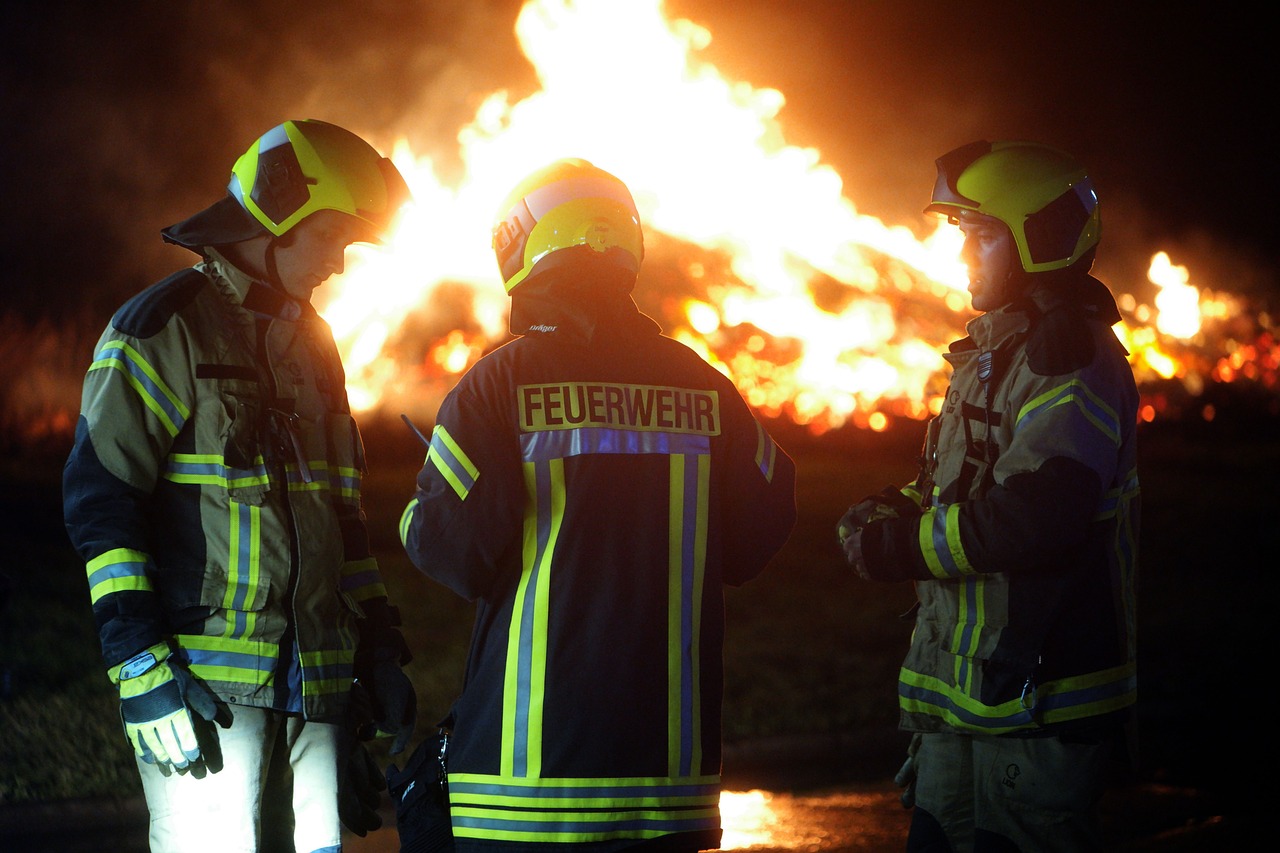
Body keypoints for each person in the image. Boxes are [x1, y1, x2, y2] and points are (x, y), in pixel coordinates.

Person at [398, 158, 797, 851]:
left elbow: (451, 549)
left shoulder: (502, 382)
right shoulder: (704, 387)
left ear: (529, 246)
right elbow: (763, 527)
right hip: (667, 785)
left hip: (525, 789)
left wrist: (416, 508)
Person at [62, 118, 419, 852]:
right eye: (334, 239)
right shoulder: (164, 329)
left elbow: (342, 521)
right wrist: (139, 663)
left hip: (315, 696)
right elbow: (104, 503)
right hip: (205, 696)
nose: (340, 265)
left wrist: (376, 649)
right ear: (281, 216)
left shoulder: (315, 347)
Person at [837, 140, 1140, 852]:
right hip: (973, 707)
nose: (965, 256)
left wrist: (904, 545)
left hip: (1039, 711)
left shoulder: (1071, 358)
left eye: (981, 235)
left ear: (1041, 236)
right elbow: (966, 483)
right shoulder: (995, 351)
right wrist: (896, 507)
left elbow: (1041, 514)